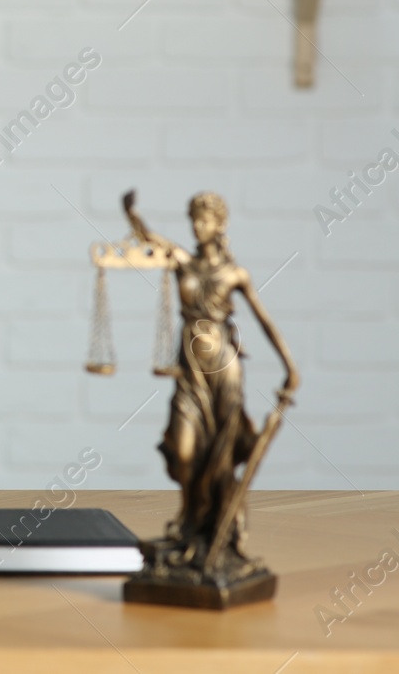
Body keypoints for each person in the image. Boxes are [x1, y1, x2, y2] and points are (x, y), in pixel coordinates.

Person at [122, 189, 299, 578]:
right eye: (194, 220)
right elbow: (153, 241)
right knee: (184, 452)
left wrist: (290, 367)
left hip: (224, 372)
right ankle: (190, 526)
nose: (197, 227)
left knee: (218, 459)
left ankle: (215, 536)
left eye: (204, 220)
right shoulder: (184, 263)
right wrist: (131, 216)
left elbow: (264, 321)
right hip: (190, 374)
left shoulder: (235, 274)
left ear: (220, 225)